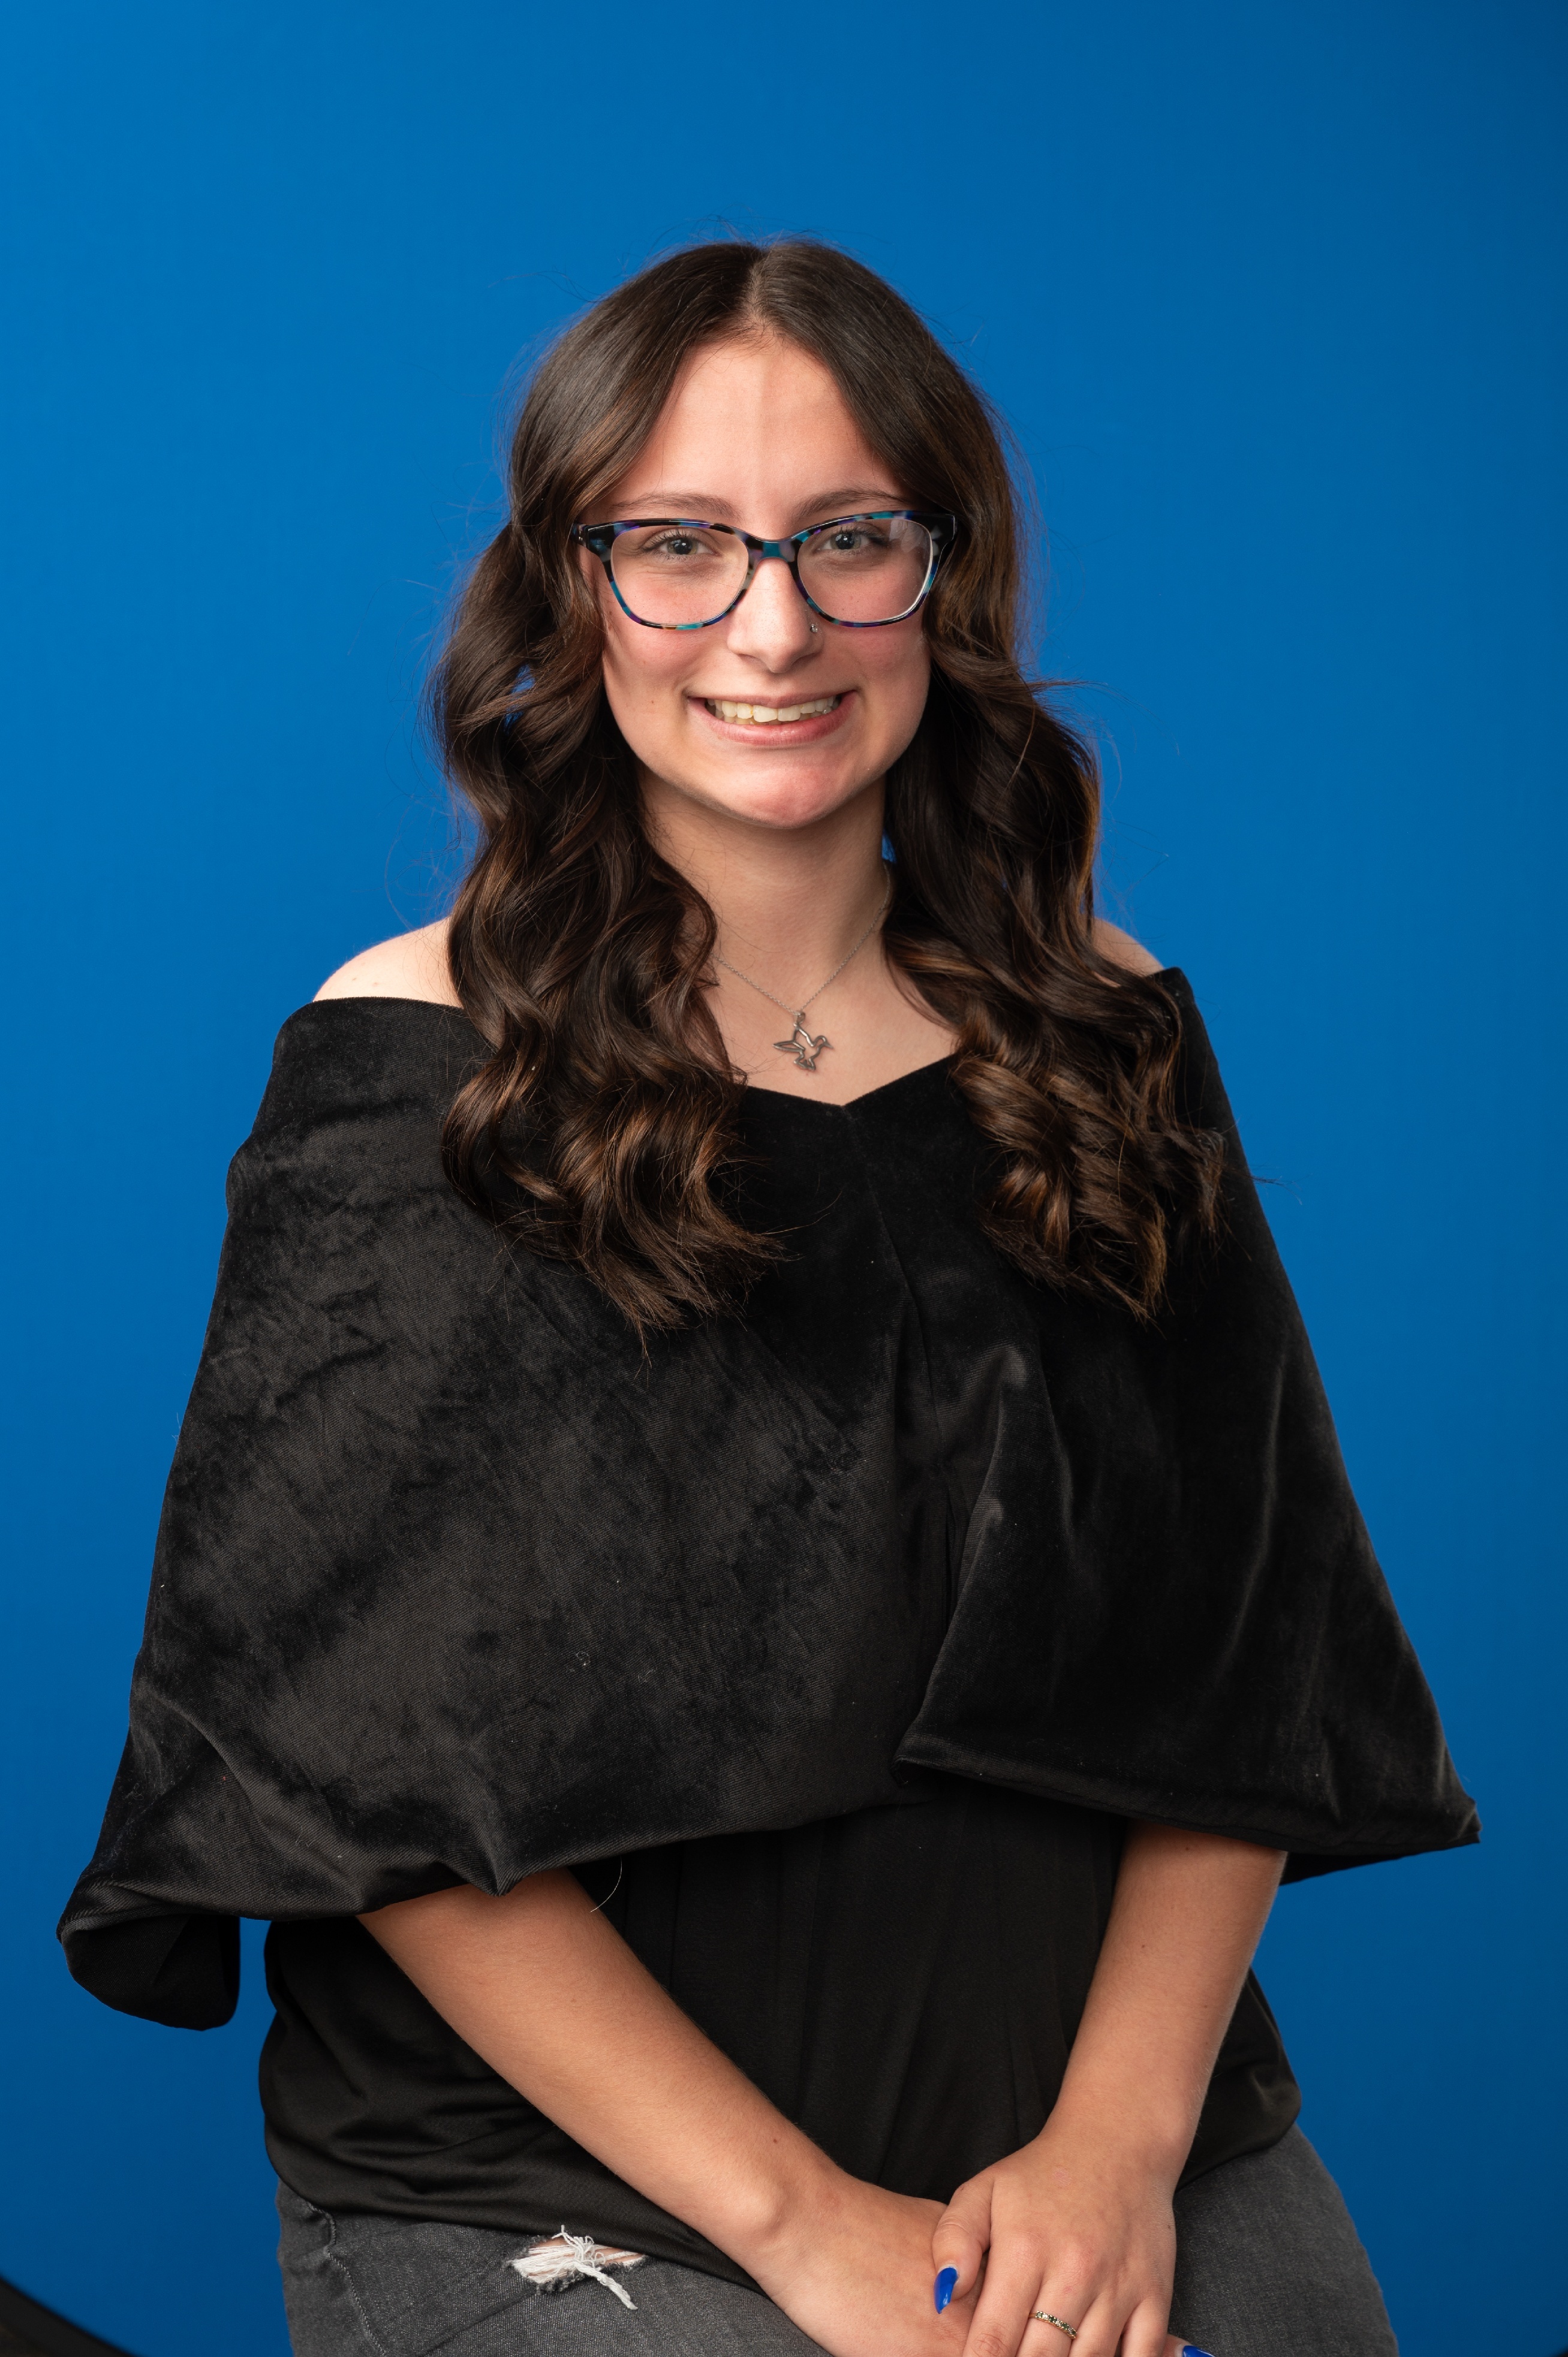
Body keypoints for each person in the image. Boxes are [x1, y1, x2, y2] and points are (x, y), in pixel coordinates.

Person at [60, 240, 1476, 2357]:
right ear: (572, 589)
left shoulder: (1104, 1025)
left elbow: (1244, 1653)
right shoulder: (423, 1062)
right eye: (680, 545)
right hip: (585, 2197)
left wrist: (1115, 2150)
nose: (774, 624)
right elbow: (358, 1775)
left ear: (946, 571)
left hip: (1106, 2157)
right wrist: (811, 2231)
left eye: (848, 538)